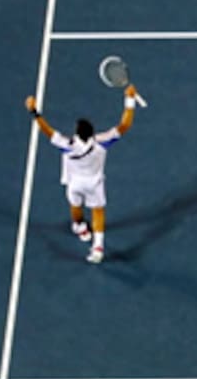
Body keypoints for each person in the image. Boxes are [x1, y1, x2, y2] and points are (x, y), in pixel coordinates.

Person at [25, 84, 139, 263]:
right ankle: (98, 247)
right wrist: (130, 99)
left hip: (75, 183)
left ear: (77, 133)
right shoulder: (102, 142)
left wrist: (34, 112)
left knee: (75, 206)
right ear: (92, 133)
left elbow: (48, 132)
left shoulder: (69, 145)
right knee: (98, 212)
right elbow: (125, 125)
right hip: (94, 184)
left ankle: (80, 227)